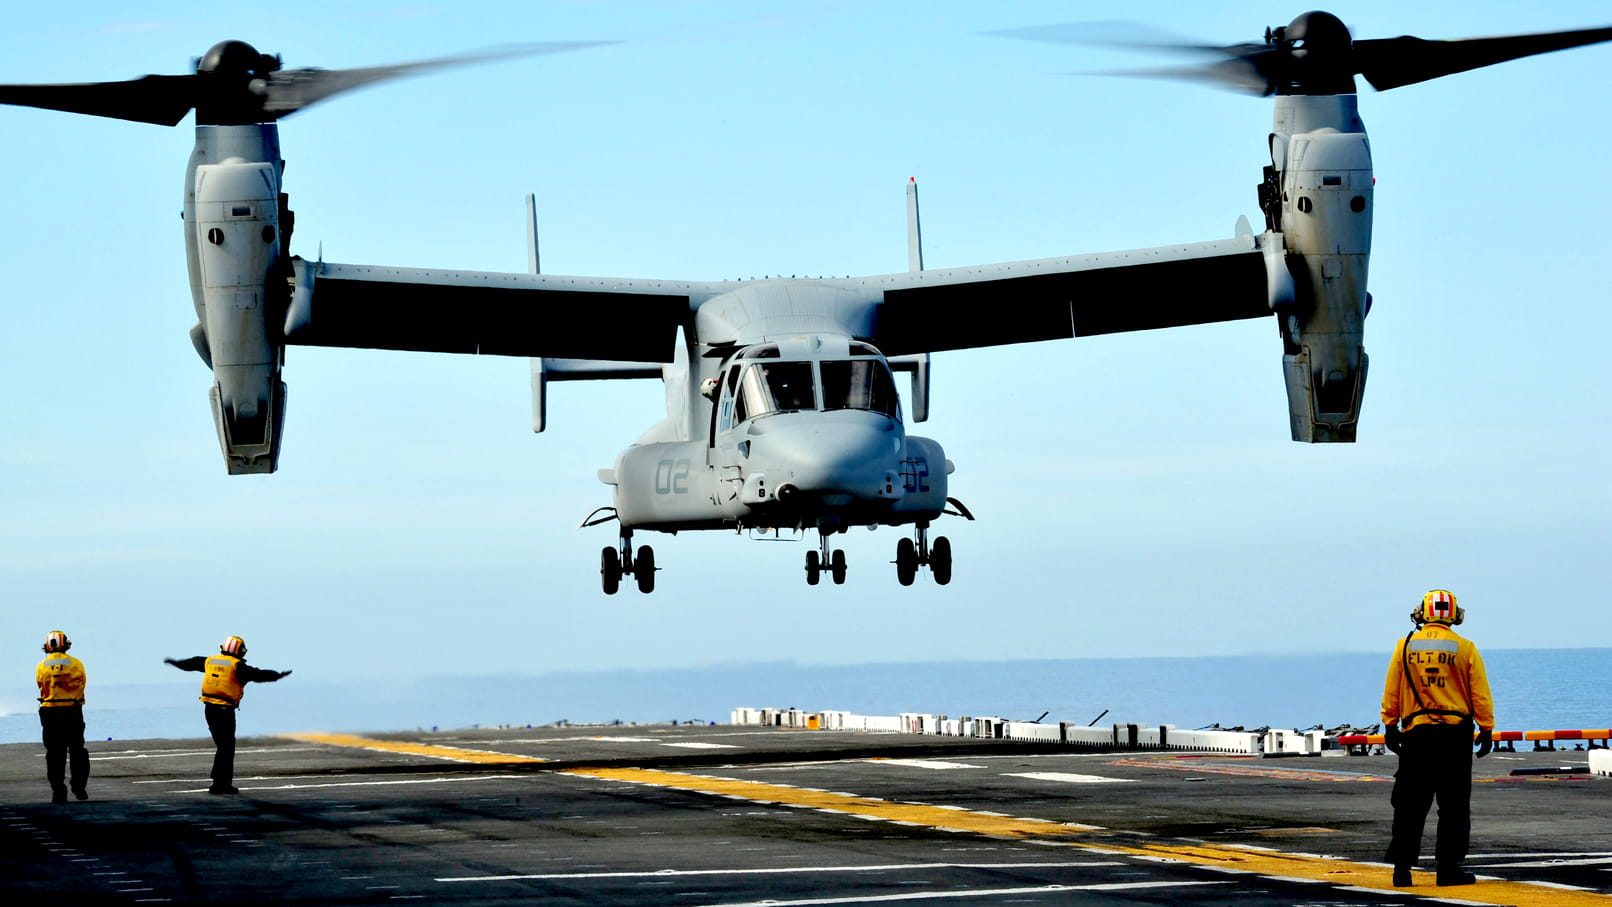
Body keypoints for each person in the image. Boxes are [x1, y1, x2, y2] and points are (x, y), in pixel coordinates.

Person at [1380, 589, 1494, 888]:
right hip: (1455, 737)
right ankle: (1448, 870)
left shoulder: (1404, 647)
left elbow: (1392, 688)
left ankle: (1402, 870)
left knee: (1409, 805)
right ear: (1454, 615)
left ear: (1422, 613)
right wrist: (1486, 727)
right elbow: (1479, 693)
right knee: (1454, 806)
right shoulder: (1465, 648)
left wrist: (1390, 725)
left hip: (1416, 736)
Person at [164, 636, 291, 794]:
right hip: (224, 710)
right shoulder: (237, 666)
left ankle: (218, 781)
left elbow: (190, 663)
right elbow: (258, 675)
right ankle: (220, 784)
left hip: (209, 709)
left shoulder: (210, 661)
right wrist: (277, 675)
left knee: (223, 746)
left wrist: (174, 662)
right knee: (227, 747)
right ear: (239, 651)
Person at [36, 630, 90, 803]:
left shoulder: (41, 666)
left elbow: (40, 685)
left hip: (49, 712)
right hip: (72, 711)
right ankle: (79, 787)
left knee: (54, 753)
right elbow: (82, 682)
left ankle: (58, 790)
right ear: (66, 645)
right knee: (77, 751)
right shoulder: (76, 664)